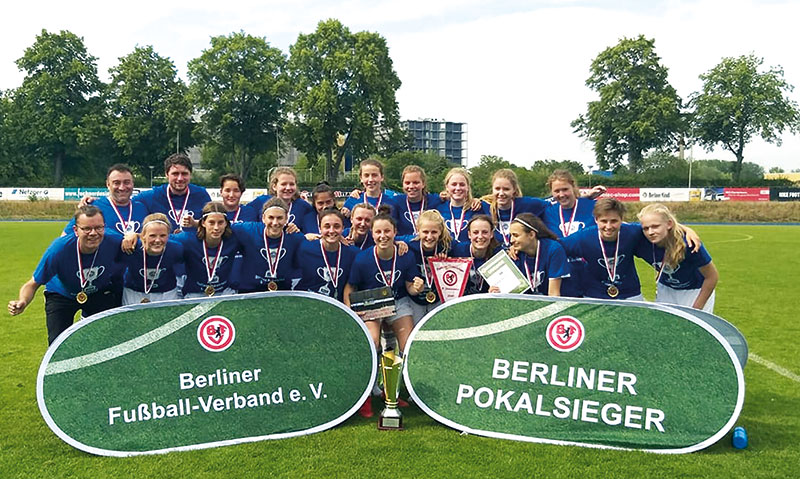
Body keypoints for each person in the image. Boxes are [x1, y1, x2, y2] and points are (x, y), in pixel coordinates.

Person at [344, 211, 424, 417]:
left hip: (398, 301)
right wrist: (351, 312)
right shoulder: (363, 259)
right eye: (378, 232)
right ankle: (367, 395)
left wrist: (417, 286)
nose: (383, 236)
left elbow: (410, 286)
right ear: (372, 234)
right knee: (372, 342)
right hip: (373, 303)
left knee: (409, 345)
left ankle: (394, 392)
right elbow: (350, 287)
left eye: (387, 231)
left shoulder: (406, 255)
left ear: (395, 232)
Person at [8, 206, 124, 344]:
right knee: (57, 344)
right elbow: (32, 283)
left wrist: (133, 237)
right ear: (76, 230)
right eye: (86, 229)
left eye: (99, 227)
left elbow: (148, 243)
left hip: (97, 293)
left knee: (104, 340)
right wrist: (22, 301)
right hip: (61, 294)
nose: (93, 233)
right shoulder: (59, 249)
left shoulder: (113, 240)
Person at [637, 203, 718, 312]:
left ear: (669, 224)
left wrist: (697, 309)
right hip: (666, 289)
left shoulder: (689, 243)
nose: (650, 232)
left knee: (693, 328)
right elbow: (614, 224)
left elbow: (712, 277)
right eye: (645, 228)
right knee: (665, 327)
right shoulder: (641, 238)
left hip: (695, 291)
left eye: (655, 226)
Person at [542, 169, 603, 297]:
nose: (561, 194)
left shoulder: (593, 206)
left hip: (592, 278)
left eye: (565, 189)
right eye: (557, 191)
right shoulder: (547, 212)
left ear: (574, 187)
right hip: (562, 280)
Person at [231, 198, 304, 293]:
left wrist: (309, 237)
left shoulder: (294, 237)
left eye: (280, 218)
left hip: (282, 290)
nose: (275, 223)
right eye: (271, 217)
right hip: (250, 290)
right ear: (263, 218)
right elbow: (223, 227)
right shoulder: (248, 230)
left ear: (286, 218)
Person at [173, 202, 241, 298]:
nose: (216, 228)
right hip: (194, 292)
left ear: (226, 223)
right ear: (203, 223)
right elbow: (163, 241)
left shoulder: (234, 239)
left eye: (220, 222)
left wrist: (195, 223)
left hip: (224, 291)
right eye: (211, 223)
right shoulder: (187, 239)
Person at [134, 153, 212, 232]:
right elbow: (127, 204)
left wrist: (195, 223)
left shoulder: (201, 195)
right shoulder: (152, 195)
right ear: (166, 174)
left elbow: (213, 222)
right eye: (175, 174)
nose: (180, 178)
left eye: (184, 174)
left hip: (192, 244)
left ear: (190, 174)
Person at [119, 213, 184, 305]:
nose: (157, 240)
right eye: (152, 236)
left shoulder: (176, 248)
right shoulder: (130, 248)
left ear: (168, 236)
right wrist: (131, 235)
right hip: (133, 292)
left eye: (162, 236)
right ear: (143, 236)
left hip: (166, 293)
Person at [297, 208, 359, 302]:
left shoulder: (353, 254)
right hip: (309, 306)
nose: (331, 231)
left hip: (339, 306)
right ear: (320, 228)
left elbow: (351, 285)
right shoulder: (304, 249)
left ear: (343, 228)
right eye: (327, 226)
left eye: (336, 226)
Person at [68, 163, 148, 235]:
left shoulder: (142, 208)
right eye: (116, 183)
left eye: (126, 182)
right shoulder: (93, 207)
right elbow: (65, 237)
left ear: (132, 184)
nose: (122, 187)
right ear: (108, 184)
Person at [406, 210, 452, 323]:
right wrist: (398, 244)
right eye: (425, 232)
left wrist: (450, 264)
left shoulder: (447, 247)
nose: (429, 236)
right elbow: (392, 239)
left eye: (434, 232)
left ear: (440, 232)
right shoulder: (409, 247)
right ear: (418, 230)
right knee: (416, 331)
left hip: (438, 298)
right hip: (414, 299)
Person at [508, 213, 570, 296]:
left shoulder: (553, 250)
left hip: (565, 300)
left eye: (515, 235)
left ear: (531, 235)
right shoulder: (516, 253)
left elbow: (554, 294)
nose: (511, 240)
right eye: (511, 235)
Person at [246, 167, 309, 233]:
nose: (288, 188)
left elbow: (309, 232)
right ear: (274, 186)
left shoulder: (303, 206)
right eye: (283, 184)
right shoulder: (261, 202)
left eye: (292, 184)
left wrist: (298, 232)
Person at [451, 215, 503, 295]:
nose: (480, 236)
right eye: (475, 232)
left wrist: (499, 291)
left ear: (491, 234)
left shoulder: (498, 255)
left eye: (485, 232)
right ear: (469, 234)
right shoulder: (458, 250)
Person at [436, 168, 490, 244]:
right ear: (447, 187)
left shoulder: (478, 207)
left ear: (467, 187)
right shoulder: (439, 208)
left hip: (471, 254)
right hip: (446, 254)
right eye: (454, 184)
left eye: (462, 184)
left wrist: (480, 200)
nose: (458, 188)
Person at [393, 165, 443, 237]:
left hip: (429, 243)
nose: (411, 186)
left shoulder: (435, 200)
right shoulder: (396, 202)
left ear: (423, 184)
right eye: (407, 183)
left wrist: (447, 195)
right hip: (405, 246)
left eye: (416, 183)